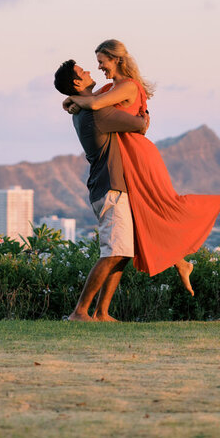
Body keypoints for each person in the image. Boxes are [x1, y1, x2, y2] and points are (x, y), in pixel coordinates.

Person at [62, 39, 220, 291]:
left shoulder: (128, 87)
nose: (98, 67)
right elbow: (87, 100)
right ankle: (180, 262)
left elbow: (94, 105)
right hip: (125, 159)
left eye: (101, 61)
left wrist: (72, 100)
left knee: (167, 204)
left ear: (116, 59)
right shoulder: (110, 87)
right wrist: (69, 101)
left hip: (139, 156)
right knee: (145, 212)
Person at [53, 59, 149, 322]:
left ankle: (102, 312)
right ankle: (80, 312)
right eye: (82, 72)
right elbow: (140, 125)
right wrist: (145, 111)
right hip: (111, 188)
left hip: (110, 187)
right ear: (77, 83)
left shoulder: (83, 110)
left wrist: (74, 101)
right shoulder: (97, 113)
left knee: (123, 253)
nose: (88, 71)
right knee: (113, 252)